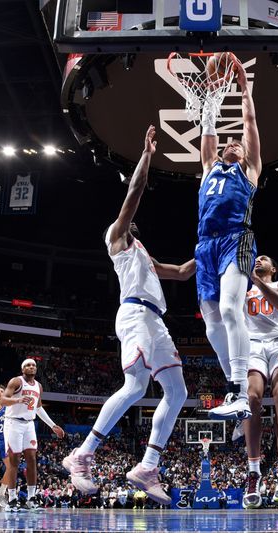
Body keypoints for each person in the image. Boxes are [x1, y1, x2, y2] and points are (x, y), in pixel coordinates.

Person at [64, 125, 193, 506]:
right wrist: (147, 155)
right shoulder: (117, 238)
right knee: (135, 386)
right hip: (136, 314)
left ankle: (147, 465)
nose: (130, 219)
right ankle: (82, 455)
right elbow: (134, 194)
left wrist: (213, 249)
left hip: (153, 319)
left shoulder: (145, 255)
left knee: (175, 391)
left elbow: (183, 272)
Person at [196, 56, 263, 420]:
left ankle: (239, 387)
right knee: (211, 324)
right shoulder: (209, 167)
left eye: (239, 144)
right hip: (205, 245)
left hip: (236, 239)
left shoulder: (249, 171)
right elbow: (207, 127)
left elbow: (249, 122)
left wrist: (242, 84)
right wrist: (210, 87)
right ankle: (233, 389)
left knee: (228, 308)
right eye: (230, 142)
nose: (235, 144)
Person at [241, 255, 278, 508]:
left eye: (264, 258)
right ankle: (254, 473)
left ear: (273, 268)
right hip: (252, 345)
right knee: (252, 398)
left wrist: (258, 283)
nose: (258, 259)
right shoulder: (243, 289)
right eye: (256, 257)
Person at [0, 358, 65, 512]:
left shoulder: (39, 386)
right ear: (23, 369)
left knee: (32, 460)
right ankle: (12, 499)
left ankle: (31, 498)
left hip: (29, 424)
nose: (31, 367)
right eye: (28, 365)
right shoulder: (16, 381)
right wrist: (18, 400)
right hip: (13, 423)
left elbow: (38, 408)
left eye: (34, 365)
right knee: (14, 461)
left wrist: (52, 425)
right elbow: (3, 400)